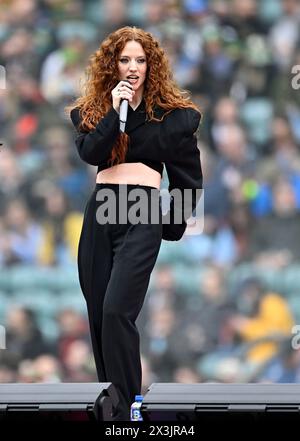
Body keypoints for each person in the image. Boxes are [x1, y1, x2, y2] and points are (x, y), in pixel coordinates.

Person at [67, 26, 202, 421]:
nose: (132, 68)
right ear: (113, 65)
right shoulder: (93, 112)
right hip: (101, 211)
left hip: (142, 209)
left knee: (115, 311)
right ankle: (110, 403)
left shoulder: (172, 119)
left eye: (140, 60)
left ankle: (129, 406)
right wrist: (114, 112)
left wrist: (169, 225)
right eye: (125, 60)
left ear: (151, 65)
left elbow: (189, 178)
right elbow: (93, 153)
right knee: (97, 313)